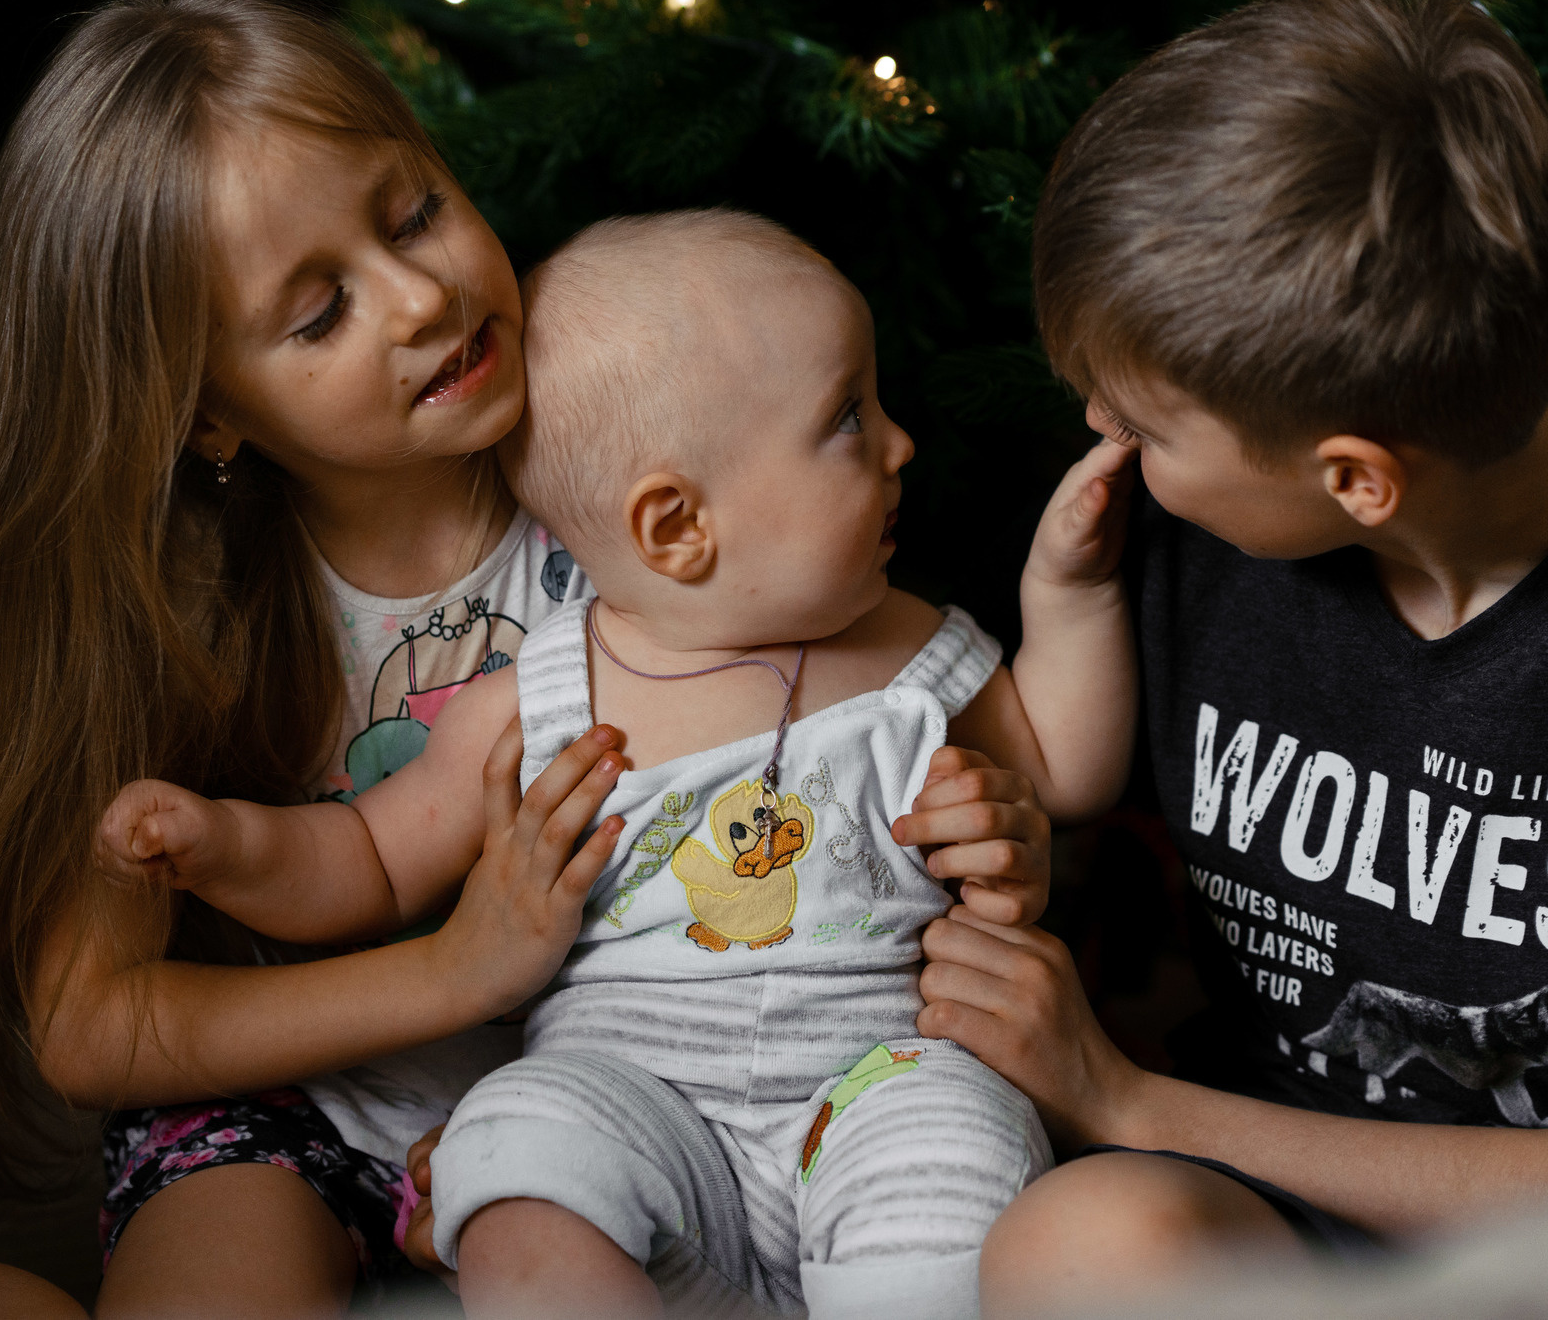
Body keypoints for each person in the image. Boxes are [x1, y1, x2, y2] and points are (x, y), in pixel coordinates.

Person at [0, 0, 1042, 1320]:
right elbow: (97, 1028)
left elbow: (878, 714)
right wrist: (448, 968)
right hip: (296, 1109)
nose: (425, 297)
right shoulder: (181, 613)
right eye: (319, 313)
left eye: (415, 209)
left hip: (640, 1109)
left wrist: (989, 822)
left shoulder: (643, 465)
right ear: (209, 410)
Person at [910, 0, 1548, 1313]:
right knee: (1072, 1243)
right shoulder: (1188, 529)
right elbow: (1043, 774)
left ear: (1355, 479)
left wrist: (1125, 1093)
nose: (1100, 434)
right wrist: (1059, 629)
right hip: (1290, 1190)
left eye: (1142, 427)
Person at [95, 210, 1098, 1320]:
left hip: (874, 1087)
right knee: (518, 1151)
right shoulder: (547, 697)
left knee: (952, 1143)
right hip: (635, 1101)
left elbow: (1064, 764)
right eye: (849, 418)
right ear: (676, 526)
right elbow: (367, 859)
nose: (901, 442)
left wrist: (1070, 601)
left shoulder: (912, 647)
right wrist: (228, 842)